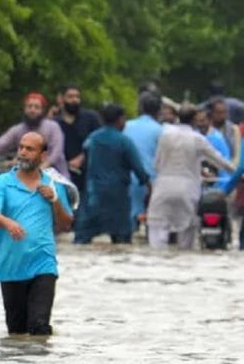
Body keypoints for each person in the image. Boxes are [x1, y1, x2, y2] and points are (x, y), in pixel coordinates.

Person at [0, 132, 74, 336]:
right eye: (21, 147)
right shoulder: (2, 182)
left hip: (44, 263)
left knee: (40, 327)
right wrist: (7, 223)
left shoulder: (53, 184)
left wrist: (55, 201)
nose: (23, 153)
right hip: (11, 265)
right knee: (16, 333)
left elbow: (66, 223)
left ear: (42, 155)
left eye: (30, 149)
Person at [147, 105, 235, 250]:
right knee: (186, 235)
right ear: (194, 121)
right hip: (187, 190)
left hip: (163, 188)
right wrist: (238, 174)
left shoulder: (165, 136)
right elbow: (220, 161)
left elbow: (156, 164)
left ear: (177, 118)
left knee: (157, 229)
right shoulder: (198, 139)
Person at [74, 104, 150, 244]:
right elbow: (138, 168)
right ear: (120, 120)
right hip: (117, 198)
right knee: (122, 240)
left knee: (82, 238)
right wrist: (147, 183)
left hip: (94, 196)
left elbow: (84, 157)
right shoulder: (124, 141)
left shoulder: (93, 139)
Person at [0, 93, 69, 178]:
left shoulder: (53, 127)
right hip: (27, 179)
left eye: (36, 107)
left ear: (42, 110)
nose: (32, 110)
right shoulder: (18, 129)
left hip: (56, 177)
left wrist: (41, 167)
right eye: (29, 106)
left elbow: (56, 152)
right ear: (24, 109)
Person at [123, 91, 164, 233]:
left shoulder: (125, 126)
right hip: (152, 183)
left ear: (139, 107)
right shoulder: (161, 130)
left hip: (127, 181)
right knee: (153, 228)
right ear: (159, 111)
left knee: (129, 226)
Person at [55, 85, 101, 194]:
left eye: (77, 96)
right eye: (70, 96)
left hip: (88, 176)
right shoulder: (55, 123)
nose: (74, 100)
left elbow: (99, 141)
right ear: (62, 99)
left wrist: (82, 157)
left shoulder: (90, 118)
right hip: (62, 175)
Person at [194, 107, 233, 190]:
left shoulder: (217, 138)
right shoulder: (193, 136)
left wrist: (222, 189)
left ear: (209, 120)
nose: (199, 124)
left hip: (215, 186)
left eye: (202, 121)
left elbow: (225, 163)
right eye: (196, 121)